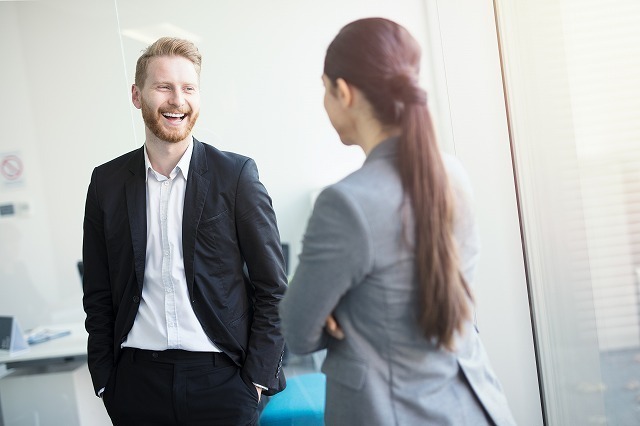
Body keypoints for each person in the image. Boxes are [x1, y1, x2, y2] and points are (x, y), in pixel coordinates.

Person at [279, 18, 516, 425]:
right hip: (476, 407)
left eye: (325, 89)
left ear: (344, 92)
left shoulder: (347, 204)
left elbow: (298, 330)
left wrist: (341, 309)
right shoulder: (452, 174)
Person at [82, 37, 287, 426]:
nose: (178, 100)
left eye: (188, 88)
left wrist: (256, 381)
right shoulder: (106, 183)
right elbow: (98, 292)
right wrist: (106, 382)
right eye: (164, 87)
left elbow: (272, 287)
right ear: (136, 95)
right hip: (136, 384)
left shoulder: (236, 176)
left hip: (223, 382)